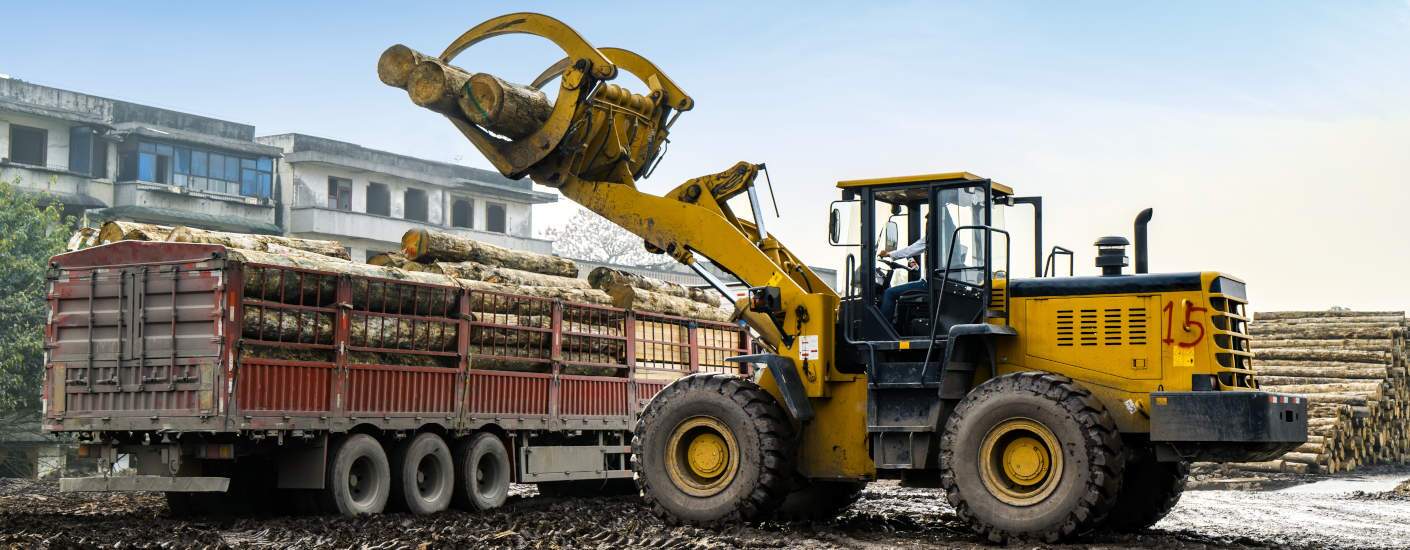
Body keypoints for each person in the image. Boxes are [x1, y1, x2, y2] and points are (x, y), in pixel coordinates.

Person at [879, 236, 926, 322]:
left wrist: (888, 254)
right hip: (928, 283)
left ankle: (882, 327)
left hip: (926, 284)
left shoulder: (932, 234)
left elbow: (911, 249)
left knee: (889, 293)